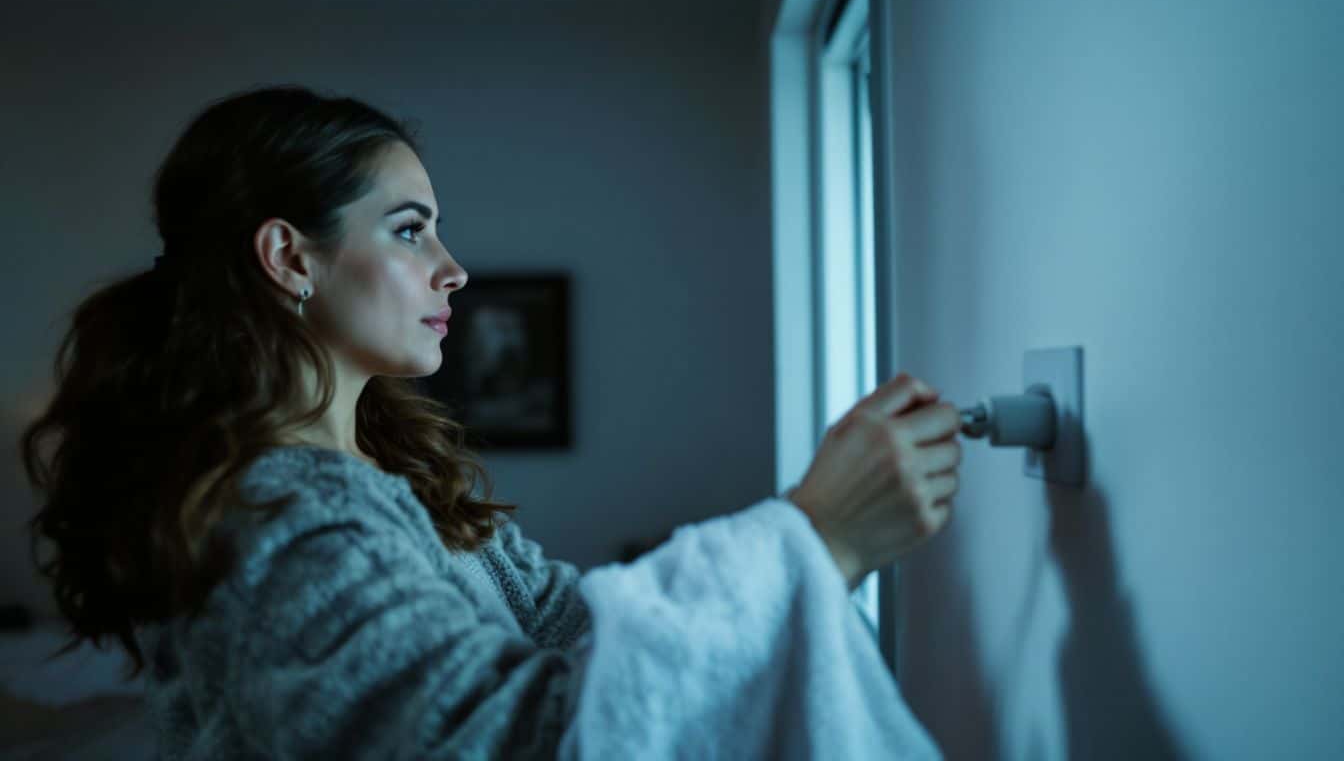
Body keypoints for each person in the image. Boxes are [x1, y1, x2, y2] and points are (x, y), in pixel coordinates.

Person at [18, 84, 963, 758]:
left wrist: (808, 539)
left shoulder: (403, 485)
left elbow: (579, 631)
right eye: (408, 228)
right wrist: (813, 538)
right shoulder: (282, 515)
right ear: (288, 257)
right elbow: (496, 741)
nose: (451, 267)